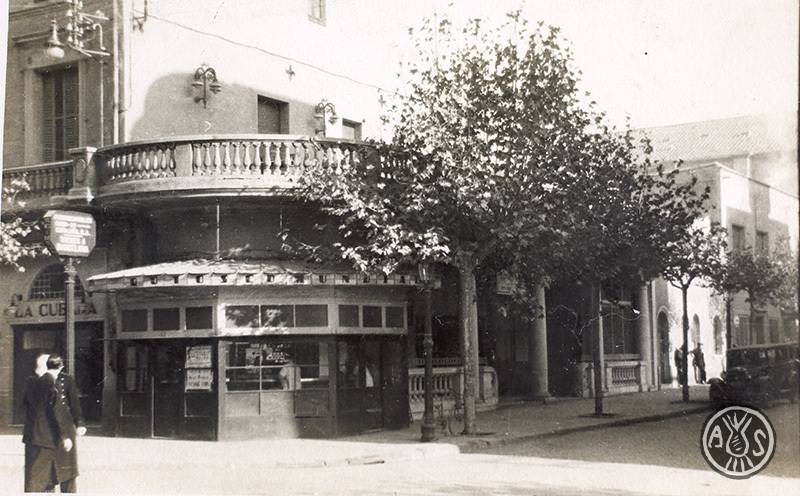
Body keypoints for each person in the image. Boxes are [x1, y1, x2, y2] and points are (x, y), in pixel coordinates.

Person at [22, 353, 49, 492]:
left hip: (36, 435)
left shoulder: (31, 382)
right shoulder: (38, 383)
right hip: (39, 436)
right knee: (36, 473)